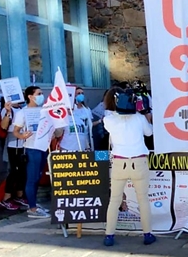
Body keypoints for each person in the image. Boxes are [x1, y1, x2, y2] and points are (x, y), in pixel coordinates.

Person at [102, 87, 155, 246]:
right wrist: (146, 115)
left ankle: (109, 235)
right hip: (138, 161)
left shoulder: (108, 120)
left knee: (114, 200)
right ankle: (147, 234)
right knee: (143, 199)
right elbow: (149, 133)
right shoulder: (139, 118)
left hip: (119, 162)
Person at [12, 86, 53, 219]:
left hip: (43, 148)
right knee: (32, 178)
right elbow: (16, 131)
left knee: (37, 177)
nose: (42, 96)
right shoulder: (22, 112)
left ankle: (33, 203)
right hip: (31, 148)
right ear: (30, 96)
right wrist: (22, 136)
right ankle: (32, 208)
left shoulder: (44, 111)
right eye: (39, 93)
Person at [0, 99, 28, 211]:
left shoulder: (23, 109)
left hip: (24, 143)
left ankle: (19, 195)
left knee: (22, 171)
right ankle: (6, 198)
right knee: (14, 171)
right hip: (14, 143)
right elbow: (3, 126)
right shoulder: (7, 110)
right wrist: (7, 112)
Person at [58, 87, 93, 152]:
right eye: (78, 93)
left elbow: (84, 132)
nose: (73, 107)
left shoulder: (82, 115)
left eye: (82, 93)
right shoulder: (63, 117)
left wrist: (87, 146)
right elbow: (58, 134)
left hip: (81, 149)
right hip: (67, 149)